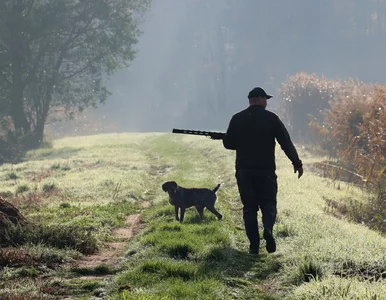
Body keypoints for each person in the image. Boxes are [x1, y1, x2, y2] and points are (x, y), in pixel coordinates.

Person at [222, 87, 303, 255]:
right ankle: (268, 229)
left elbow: (229, 144)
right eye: (265, 99)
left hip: (244, 170)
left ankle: (253, 247)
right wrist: (296, 162)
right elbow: (286, 142)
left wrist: (235, 139)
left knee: (249, 207)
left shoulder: (237, 118)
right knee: (269, 203)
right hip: (266, 170)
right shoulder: (272, 119)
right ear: (259, 99)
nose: (266, 102)